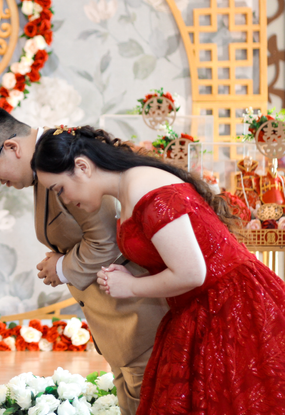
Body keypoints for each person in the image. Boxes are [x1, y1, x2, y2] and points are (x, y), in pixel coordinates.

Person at [32, 125, 285, 414]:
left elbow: (191, 273)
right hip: (200, 308)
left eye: (60, 189)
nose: (64, 200)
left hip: (232, 307)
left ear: (82, 166)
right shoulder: (131, 186)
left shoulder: (143, 188)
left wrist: (131, 287)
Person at [0, 104, 168, 414]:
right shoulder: (46, 161)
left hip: (137, 317)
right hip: (119, 325)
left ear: (12, 147)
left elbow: (108, 239)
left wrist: (62, 267)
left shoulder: (61, 159)